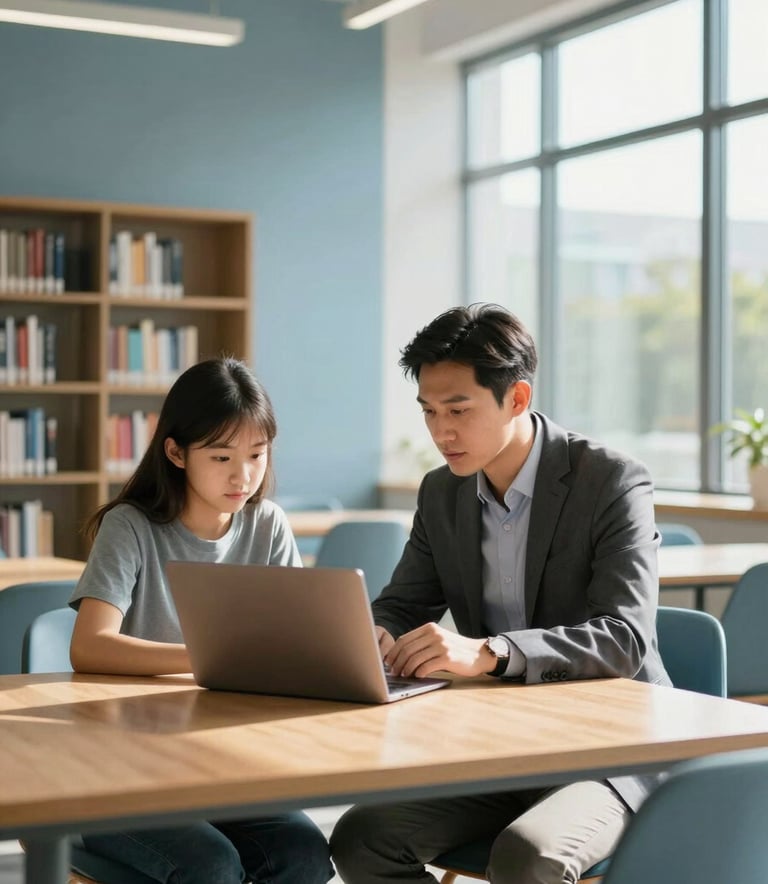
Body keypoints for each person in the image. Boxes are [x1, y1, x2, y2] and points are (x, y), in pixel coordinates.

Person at [330, 304, 670, 884]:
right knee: (364, 837)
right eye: (430, 412)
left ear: (516, 398)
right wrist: (375, 632)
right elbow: (402, 602)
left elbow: (624, 638)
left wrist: (491, 653)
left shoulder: (611, 480)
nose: (441, 432)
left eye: (458, 410)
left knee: (528, 855)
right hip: (503, 751)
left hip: (609, 755)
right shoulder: (443, 492)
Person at [69, 356, 333, 884]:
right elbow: (90, 645)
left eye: (257, 455)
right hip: (124, 774)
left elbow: (293, 643)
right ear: (176, 452)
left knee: (305, 853)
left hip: (228, 768)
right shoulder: (132, 526)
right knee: (210, 866)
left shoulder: (268, 524)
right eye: (221, 457)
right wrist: (209, 661)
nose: (244, 475)